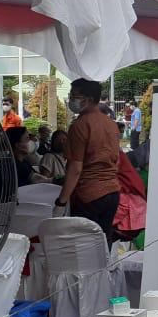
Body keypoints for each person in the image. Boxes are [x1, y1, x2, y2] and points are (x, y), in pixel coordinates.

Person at [54, 80, 121, 242]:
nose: (71, 99)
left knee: (84, 248)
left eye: (74, 96)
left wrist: (61, 202)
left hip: (89, 194)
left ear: (89, 99)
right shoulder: (111, 124)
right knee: (103, 244)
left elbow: (75, 168)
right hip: (112, 192)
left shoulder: (80, 125)